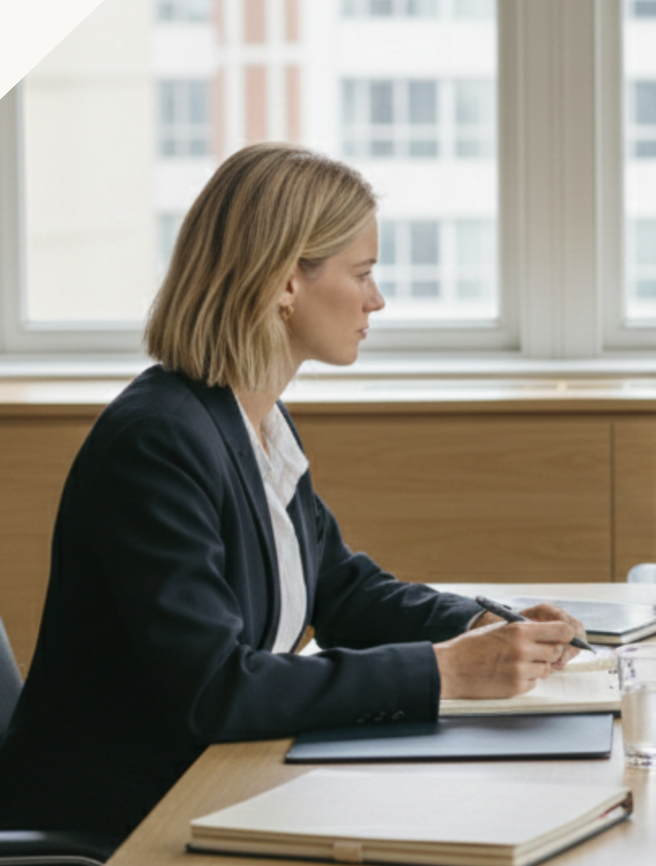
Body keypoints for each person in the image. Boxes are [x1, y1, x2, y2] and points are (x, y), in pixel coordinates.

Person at [0, 144, 584, 840]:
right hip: (126, 822)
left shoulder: (251, 418)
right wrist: (445, 672)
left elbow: (340, 587)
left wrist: (481, 625)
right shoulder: (156, 442)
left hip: (217, 782)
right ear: (285, 284)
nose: (378, 298)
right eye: (362, 273)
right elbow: (217, 688)